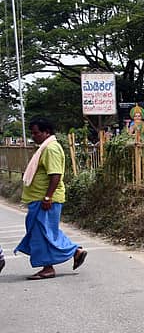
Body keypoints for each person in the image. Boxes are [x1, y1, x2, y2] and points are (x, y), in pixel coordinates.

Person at [15, 117, 87, 280]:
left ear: (46, 132)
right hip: (39, 199)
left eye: (36, 133)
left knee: (42, 233)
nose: (33, 136)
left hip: (46, 200)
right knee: (45, 231)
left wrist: (48, 197)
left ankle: (48, 268)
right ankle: (75, 251)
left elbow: (55, 174)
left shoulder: (51, 149)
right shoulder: (45, 147)